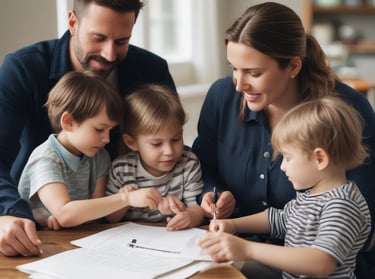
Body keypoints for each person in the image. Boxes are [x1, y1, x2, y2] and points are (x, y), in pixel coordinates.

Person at [191, 2, 375, 278]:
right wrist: (221, 206)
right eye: (233, 68)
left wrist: (245, 249)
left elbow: (335, 248)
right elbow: (279, 216)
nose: (239, 85)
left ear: (292, 66)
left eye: (253, 73)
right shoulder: (222, 96)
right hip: (242, 251)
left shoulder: (344, 112)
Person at [0, 0, 175, 257]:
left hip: (124, 230)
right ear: (72, 22)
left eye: (122, 41)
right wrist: (7, 213)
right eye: (98, 38)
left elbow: (169, 143)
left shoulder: (152, 70)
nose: (109, 55)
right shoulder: (23, 69)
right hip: (33, 229)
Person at [197, 96, 371, 279]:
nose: (282, 166)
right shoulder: (312, 194)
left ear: (319, 159)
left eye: (287, 158)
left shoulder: (342, 205)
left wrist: (247, 249)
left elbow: (322, 262)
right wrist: (233, 224)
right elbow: (279, 219)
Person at [18, 71, 163, 231]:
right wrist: (125, 198)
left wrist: (78, 216)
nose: (107, 139)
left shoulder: (99, 156)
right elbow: (65, 214)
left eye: (110, 130)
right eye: (99, 129)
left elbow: (95, 214)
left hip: (77, 235)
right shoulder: (45, 159)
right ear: (68, 122)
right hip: (40, 239)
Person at [105, 84, 205, 231]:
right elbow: (110, 218)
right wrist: (125, 199)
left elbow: (198, 211)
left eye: (176, 139)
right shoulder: (122, 169)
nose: (169, 151)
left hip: (172, 237)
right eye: (157, 144)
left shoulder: (188, 164)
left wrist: (187, 216)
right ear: (131, 142)